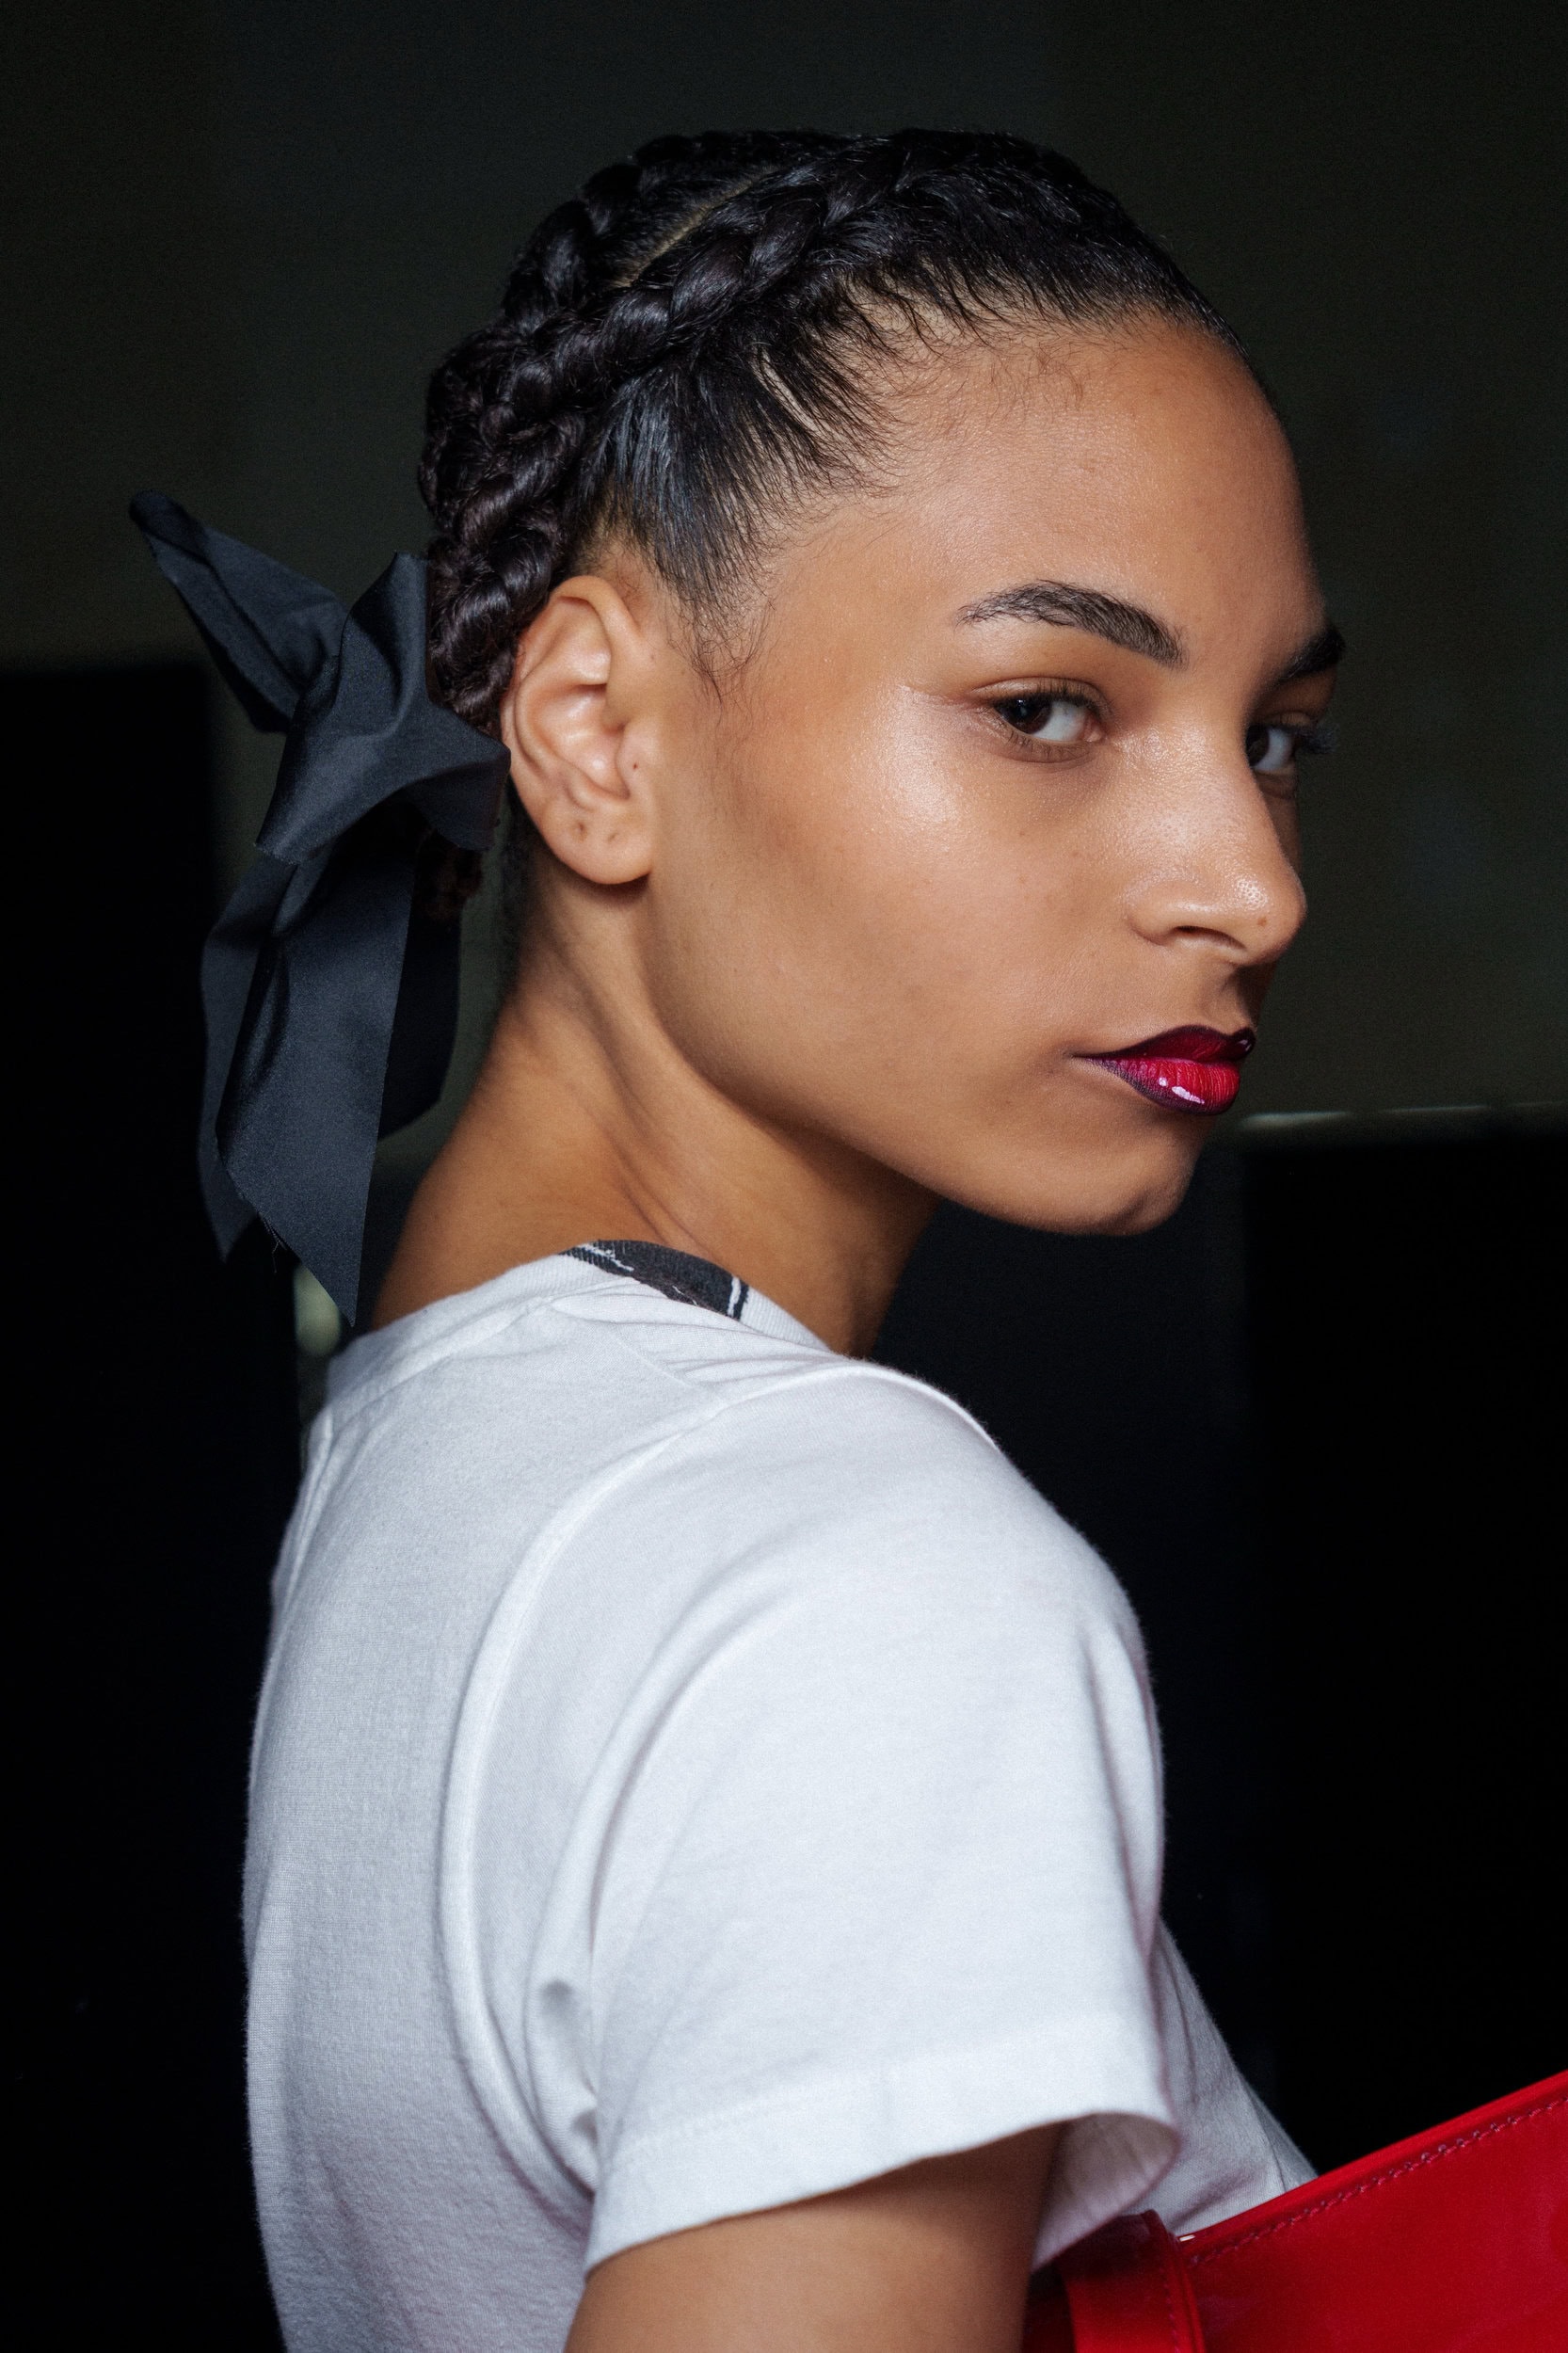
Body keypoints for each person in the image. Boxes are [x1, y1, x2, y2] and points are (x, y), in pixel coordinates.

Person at [241, 129, 1340, 2353]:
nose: (1249, 882)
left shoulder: (439, 1452)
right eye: (1048, 708)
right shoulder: (859, 1578)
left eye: (1273, 735)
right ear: (595, 735)